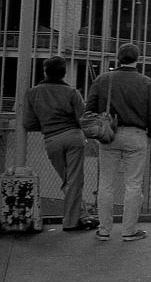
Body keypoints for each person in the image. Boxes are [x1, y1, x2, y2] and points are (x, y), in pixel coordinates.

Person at [85, 43, 151, 242]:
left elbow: (90, 108)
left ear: (118, 58)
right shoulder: (146, 82)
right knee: (133, 185)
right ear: (138, 59)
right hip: (136, 135)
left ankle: (104, 230)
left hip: (109, 134)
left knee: (106, 184)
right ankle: (129, 231)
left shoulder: (103, 80)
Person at [23, 55, 97, 231]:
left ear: (45, 72)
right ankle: (72, 222)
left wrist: (46, 124)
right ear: (64, 73)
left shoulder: (32, 93)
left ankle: (82, 216)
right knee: (75, 180)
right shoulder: (72, 93)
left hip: (51, 139)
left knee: (67, 180)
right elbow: (83, 120)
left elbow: (28, 123)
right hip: (73, 137)